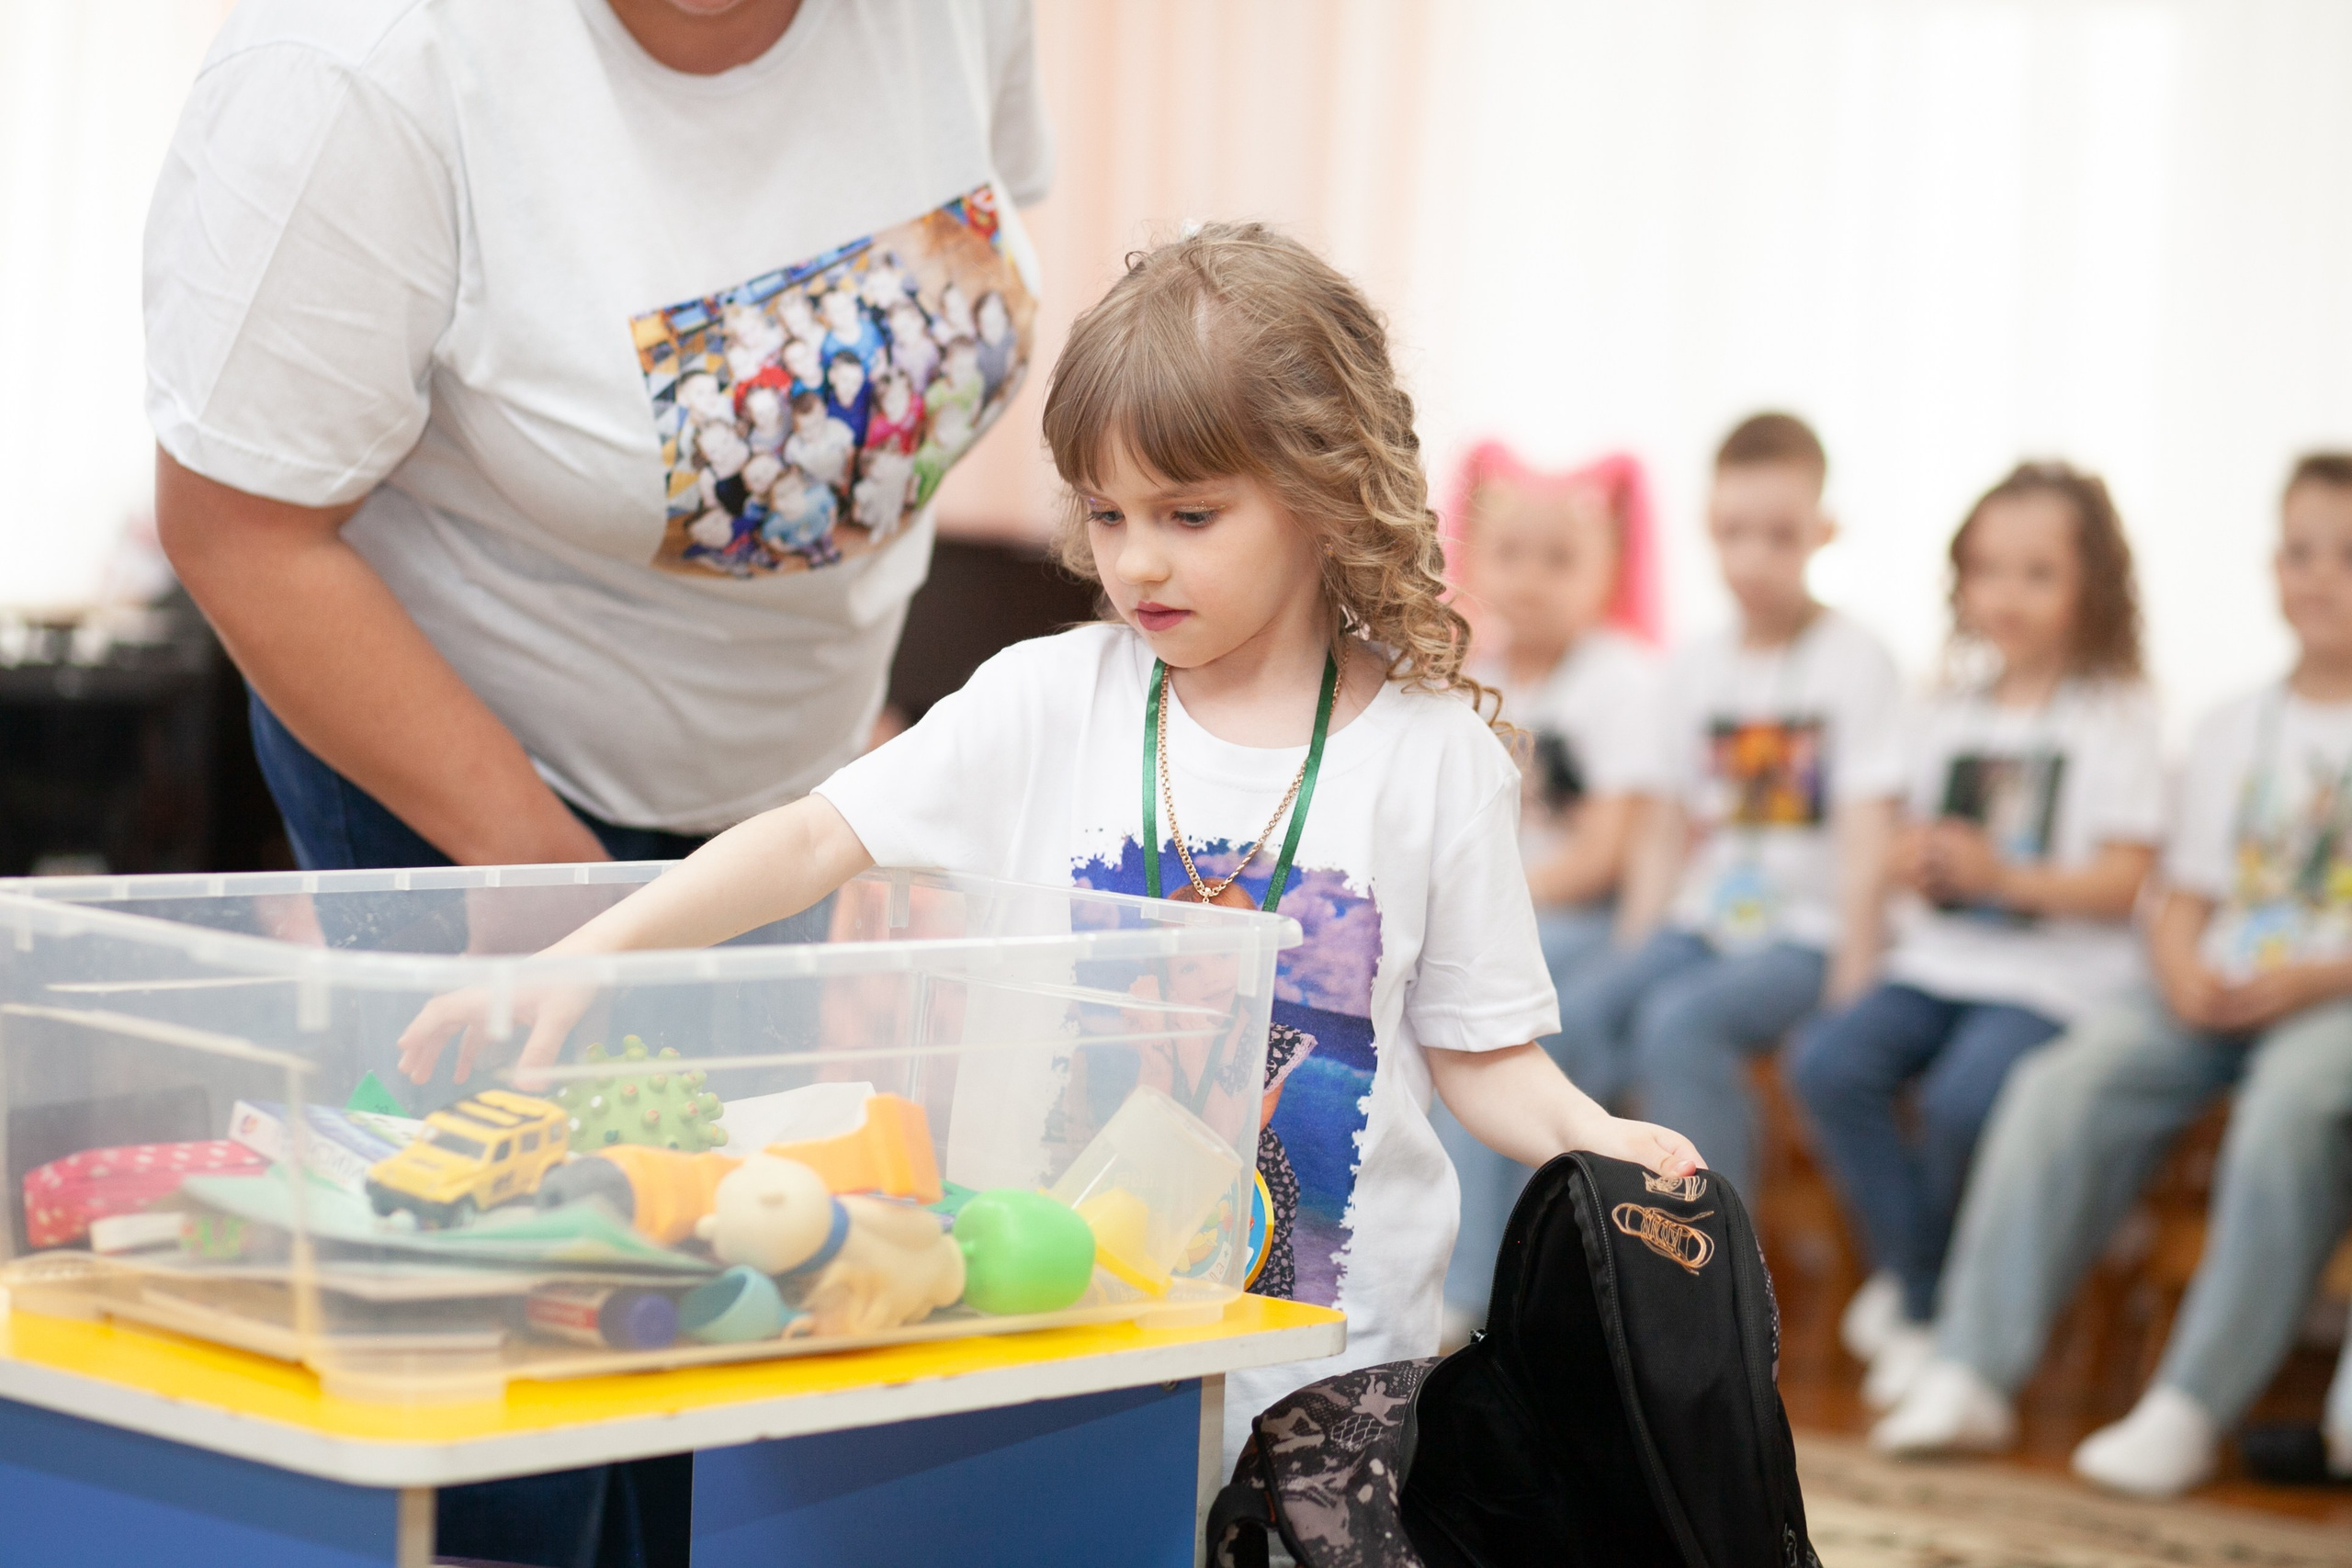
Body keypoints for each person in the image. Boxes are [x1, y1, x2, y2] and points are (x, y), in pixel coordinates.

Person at [395, 222, 1707, 1469]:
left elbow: (1483, 1052)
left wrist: (1594, 1134)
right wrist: (578, 959)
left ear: (1321, 494)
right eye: (1107, 513)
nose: (1138, 561)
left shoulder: (1437, 758)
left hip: (1326, 1378)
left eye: (1190, 515)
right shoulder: (1046, 697)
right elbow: (810, 838)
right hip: (1056, 1341)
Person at [147, 0, 1051, 876]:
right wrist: (536, 873)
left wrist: (854, 755)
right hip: (482, 796)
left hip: (803, 789)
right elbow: (239, 533)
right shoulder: (354, 61)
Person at [1872, 454, 2352, 1502]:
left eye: (2346, 558)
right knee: (2059, 1085)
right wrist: (2180, 976)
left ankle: (2190, 1403)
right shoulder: (2233, 726)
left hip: (2332, 1002)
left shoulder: (2124, 711)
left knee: (2290, 1107)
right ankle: (1970, 1368)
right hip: (2212, 988)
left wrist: (2311, 977)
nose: (2320, 577)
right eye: (2301, 553)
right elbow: (2179, 900)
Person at [1788, 463, 2161, 1410]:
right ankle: (1923, 1292)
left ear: (2093, 587)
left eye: (2037, 573)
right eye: (1988, 571)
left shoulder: (2117, 715)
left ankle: (1925, 1306)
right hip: (1941, 961)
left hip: (2054, 980)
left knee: (1963, 1101)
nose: (2007, 596)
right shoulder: (1942, 709)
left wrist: (2006, 877)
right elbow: (1902, 840)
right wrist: (1920, 862)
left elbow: (2126, 881)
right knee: (1828, 1064)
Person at [1547, 413, 1902, 1198]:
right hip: (1702, 925)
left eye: (1780, 535)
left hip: (1804, 940)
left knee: (1682, 1025)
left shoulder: (1857, 659)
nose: (1753, 557)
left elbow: (1869, 838)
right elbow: (1663, 832)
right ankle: (1586, 1246)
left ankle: (1710, 1275)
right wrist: (1635, 947)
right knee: (1582, 1012)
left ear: (1823, 531)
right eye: (1735, 532)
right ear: (1709, 527)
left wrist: (1852, 985)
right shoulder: (1694, 667)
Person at [1430, 444, 1669, 1326]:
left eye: (1559, 559)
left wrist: (1484, 905)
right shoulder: (1469, 673)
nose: (1530, 579)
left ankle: (1467, 1292)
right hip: (1496, 914)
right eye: (1510, 555)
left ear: (1607, 570)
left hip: (1575, 920)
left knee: (1488, 1022)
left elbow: (1605, 854)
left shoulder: (1620, 679)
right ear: (1474, 559)